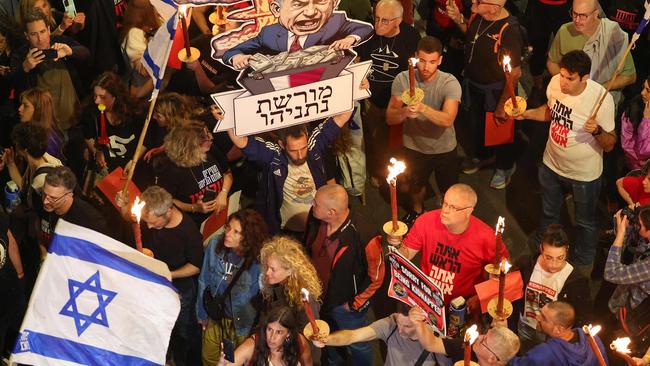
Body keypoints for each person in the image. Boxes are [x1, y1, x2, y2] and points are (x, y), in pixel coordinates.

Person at [521, 50, 616, 267]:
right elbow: (549, 112)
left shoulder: (602, 99)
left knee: (584, 221)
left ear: (584, 78)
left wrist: (597, 131)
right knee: (548, 211)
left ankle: (583, 258)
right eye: (562, 75)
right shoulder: (554, 83)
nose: (563, 82)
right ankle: (547, 247)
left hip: (584, 175)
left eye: (570, 78)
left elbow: (610, 144)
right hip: (551, 164)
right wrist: (525, 113)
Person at [227, 111, 351, 235]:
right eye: (293, 150)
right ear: (282, 144)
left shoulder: (314, 146)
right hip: (285, 230)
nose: (300, 155)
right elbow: (242, 142)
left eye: (303, 148)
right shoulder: (274, 156)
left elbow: (341, 118)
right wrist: (226, 119)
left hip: (316, 225)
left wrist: (356, 92)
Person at [446, 0, 524, 189]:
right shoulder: (479, 17)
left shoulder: (510, 31)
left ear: (495, 7)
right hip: (475, 87)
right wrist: (458, 19)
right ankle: (484, 157)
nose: (472, 2)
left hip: (497, 91)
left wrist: (501, 105)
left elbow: (515, 73)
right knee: (477, 126)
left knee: (500, 130)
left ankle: (504, 167)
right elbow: (473, 35)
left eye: (478, 1)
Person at [304, 184, 384, 366]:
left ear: (331, 212)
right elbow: (308, 245)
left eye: (315, 203)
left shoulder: (364, 234)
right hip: (320, 297)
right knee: (328, 337)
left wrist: (355, 304)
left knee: (357, 345)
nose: (311, 204)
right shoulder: (316, 217)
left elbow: (377, 276)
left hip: (345, 305)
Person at [391, 183, 509, 307]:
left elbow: (503, 272)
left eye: (453, 207)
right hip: (426, 297)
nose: (445, 210)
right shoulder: (425, 221)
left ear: (468, 211)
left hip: (462, 304)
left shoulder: (487, 238)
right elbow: (407, 253)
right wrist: (398, 245)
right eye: (445, 203)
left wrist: (479, 298)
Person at [386, 35, 461, 223]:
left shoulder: (449, 83)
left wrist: (422, 108)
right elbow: (390, 117)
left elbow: (448, 119)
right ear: (415, 58)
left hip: (444, 147)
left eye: (432, 62)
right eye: (422, 61)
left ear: (440, 60)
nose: (426, 67)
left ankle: (449, 218)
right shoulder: (403, 80)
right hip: (414, 145)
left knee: (449, 188)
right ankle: (417, 213)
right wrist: (404, 112)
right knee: (415, 185)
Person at [355, 0, 420, 187]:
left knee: (402, 141)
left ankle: (404, 174)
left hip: (399, 102)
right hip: (373, 101)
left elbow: (416, 68)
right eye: (376, 18)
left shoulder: (411, 35)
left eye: (384, 21)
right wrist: (360, 76)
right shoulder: (367, 35)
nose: (377, 25)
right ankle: (378, 171)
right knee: (375, 140)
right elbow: (357, 59)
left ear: (398, 21)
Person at [139, 185, 204, 366]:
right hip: (154, 284)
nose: (149, 226)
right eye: (147, 221)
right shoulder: (151, 219)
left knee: (183, 330)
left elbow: (195, 266)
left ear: (168, 212)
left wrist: (169, 274)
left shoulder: (189, 232)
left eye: (153, 222)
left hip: (180, 289)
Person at [197, 209, 269, 366]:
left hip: (242, 321)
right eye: (228, 228)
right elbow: (204, 279)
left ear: (248, 237)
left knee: (234, 361)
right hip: (215, 315)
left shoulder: (260, 259)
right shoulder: (215, 243)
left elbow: (265, 294)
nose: (228, 234)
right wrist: (201, 313)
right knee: (209, 357)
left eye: (236, 232)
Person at [221, 0, 373, 69]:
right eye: (298, 4)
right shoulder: (269, 33)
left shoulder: (335, 22)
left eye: (320, 1)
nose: (310, 12)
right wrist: (237, 57)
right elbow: (231, 52)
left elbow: (364, 29)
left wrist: (350, 38)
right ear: (276, 9)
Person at [513, 224, 591, 353]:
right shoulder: (526, 264)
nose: (553, 265)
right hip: (525, 324)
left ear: (567, 251)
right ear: (541, 249)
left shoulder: (576, 281)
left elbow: (581, 316)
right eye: (548, 257)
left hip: (550, 336)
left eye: (560, 258)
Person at [11, 9, 89, 131]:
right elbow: (13, 87)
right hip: (44, 129)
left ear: (48, 30)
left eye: (42, 32)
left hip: (75, 121)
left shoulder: (59, 41)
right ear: (26, 36)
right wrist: (25, 68)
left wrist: (70, 51)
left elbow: (86, 54)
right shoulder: (20, 55)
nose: (40, 38)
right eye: (33, 34)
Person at [546, 0, 636, 105]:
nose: (577, 20)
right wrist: (568, 83)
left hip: (600, 102)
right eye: (574, 14)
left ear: (596, 14)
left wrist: (597, 89)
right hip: (570, 101)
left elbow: (630, 76)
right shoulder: (565, 31)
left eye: (583, 16)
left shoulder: (613, 35)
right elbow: (551, 62)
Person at [157, 120, 233, 226]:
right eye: (205, 137)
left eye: (208, 133)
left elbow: (228, 173)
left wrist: (223, 193)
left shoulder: (211, 150)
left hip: (225, 213)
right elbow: (167, 200)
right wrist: (194, 208)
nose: (211, 137)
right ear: (190, 146)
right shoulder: (171, 170)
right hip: (199, 223)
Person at [313, 303, 442, 365]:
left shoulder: (437, 342)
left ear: (422, 322)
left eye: (407, 326)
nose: (400, 330)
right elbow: (352, 336)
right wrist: (326, 340)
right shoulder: (391, 325)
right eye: (399, 323)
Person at [409, 307, 520, 365]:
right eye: (485, 334)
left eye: (483, 340)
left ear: (492, 358)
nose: (478, 336)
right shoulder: (467, 345)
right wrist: (418, 323)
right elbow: (431, 344)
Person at [82, 71, 144, 175]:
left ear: (115, 96)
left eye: (102, 97)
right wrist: (96, 152)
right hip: (108, 171)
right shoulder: (92, 112)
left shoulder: (134, 113)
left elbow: (146, 140)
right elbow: (88, 135)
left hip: (132, 168)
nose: (97, 101)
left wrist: (134, 161)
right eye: (95, 96)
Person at [510, 301, 609, 365]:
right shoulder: (593, 339)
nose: (537, 317)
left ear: (559, 329)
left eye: (544, 318)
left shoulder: (545, 352)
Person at [217, 306, 313, 366]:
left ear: (288, 333)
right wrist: (222, 364)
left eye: (279, 332)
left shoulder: (300, 342)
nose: (272, 337)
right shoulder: (251, 346)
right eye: (269, 329)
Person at [259, 236, 322, 329]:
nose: (267, 272)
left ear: (290, 270)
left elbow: (309, 335)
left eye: (273, 269)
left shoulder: (304, 298)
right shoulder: (274, 286)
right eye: (267, 267)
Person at [40, 166, 109, 249]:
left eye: (53, 198)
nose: (45, 201)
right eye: (44, 194)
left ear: (69, 195)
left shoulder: (91, 222)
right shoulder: (42, 201)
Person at [604, 208, 650, 328]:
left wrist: (620, 234)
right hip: (621, 298)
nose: (636, 226)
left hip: (630, 317)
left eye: (640, 224)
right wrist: (624, 229)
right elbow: (624, 244)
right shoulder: (646, 239)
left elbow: (611, 273)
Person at [119, 0, 160, 97]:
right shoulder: (134, 34)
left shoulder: (145, 30)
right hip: (143, 92)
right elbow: (144, 69)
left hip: (150, 90)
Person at [17, 87, 64, 160]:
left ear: (38, 110)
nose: (19, 109)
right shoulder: (34, 134)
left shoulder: (46, 142)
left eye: (25, 106)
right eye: (21, 104)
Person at [620, 75, 650, 171]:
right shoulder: (634, 108)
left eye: (648, 90)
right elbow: (641, 152)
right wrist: (646, 120)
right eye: (643, 88)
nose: (642, 93)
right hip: (637, 168)